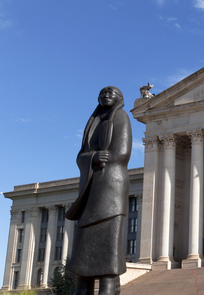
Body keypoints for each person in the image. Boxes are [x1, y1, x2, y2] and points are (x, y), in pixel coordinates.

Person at [65, 86, 132, 295]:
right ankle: (82, 287)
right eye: (102, 93)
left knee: (108, 243)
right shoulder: (92, 123)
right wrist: (93, 157)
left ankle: (108, 288)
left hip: (110, 186)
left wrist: (106, 158)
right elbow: (80, 156)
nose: (106, 95)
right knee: (84, 243)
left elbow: (122, 152)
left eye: (111, 93)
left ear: (119, 98)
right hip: (90, 189)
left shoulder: (121, 117)